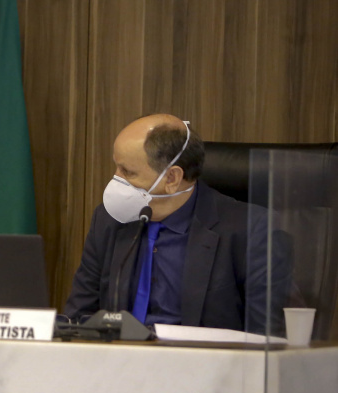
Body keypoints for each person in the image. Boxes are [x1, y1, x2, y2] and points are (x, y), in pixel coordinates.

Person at [64, 114, 291, 335]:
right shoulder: (110, 219)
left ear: (171, 178)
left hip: (201, 366)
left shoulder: (253, 230)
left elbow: (266, 339)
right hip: (118, 364)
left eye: (128, 172)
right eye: (116, 167)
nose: (116, 180)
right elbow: (79, 315)